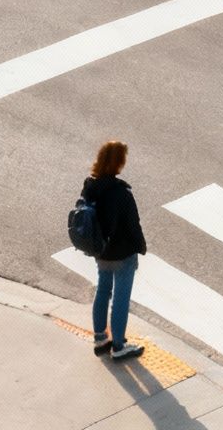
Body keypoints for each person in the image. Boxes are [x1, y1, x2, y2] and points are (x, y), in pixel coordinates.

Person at [82, 140, 147, 359]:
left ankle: (101, 338)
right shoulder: (121, 193)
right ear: (119, 163)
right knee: (120, 298)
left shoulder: (90, 186)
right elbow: (133, 225)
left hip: (100, 250)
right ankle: (119, 346)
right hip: (122, 254)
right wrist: (141, 247)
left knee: (102, 290)